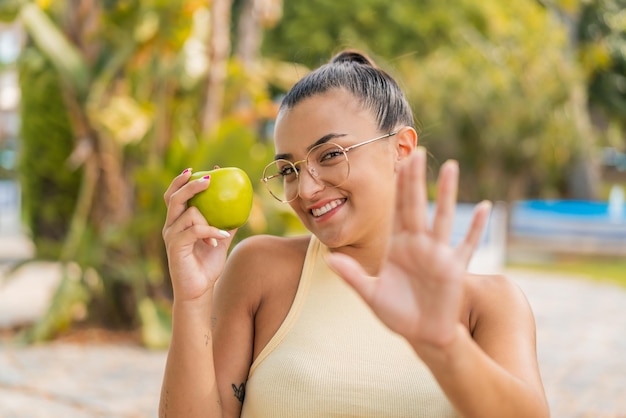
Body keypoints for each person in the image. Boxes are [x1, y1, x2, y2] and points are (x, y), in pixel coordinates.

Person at [159, 49, 549, 418]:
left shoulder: (489, 305)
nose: (307, 190)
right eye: (289, 170)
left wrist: (445, 345)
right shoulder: (260, 271)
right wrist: (192, 298)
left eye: (330, 155)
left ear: (402, 149)